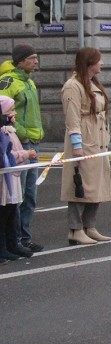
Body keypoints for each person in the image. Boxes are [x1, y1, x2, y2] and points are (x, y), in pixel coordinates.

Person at [60, 47, 111, 244]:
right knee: (78, 186)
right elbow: (72, 117)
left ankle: (89, 226)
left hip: (98, 142)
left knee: (97, 186)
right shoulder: (72, 86)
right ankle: (75, 229)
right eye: (99, 60)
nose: (102, 64)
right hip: (84, 142)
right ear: (89, 63)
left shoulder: (91, 83)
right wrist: (77, 145)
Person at [0, 44, 45, 252]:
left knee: (30, 195)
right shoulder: (8, 81)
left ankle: (25, 237)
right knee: (16, 197)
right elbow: (5, 112)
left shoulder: (29, 82)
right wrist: (22, 133)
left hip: (33, 143)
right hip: (19, 144)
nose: (36, 61)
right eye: (32, 58)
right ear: (21, 61)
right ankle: (14, 240)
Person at [1, 96, 36, 262]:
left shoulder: (9, 130)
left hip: (12, 177)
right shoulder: (3, 132)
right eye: (10, 111)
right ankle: (3, 248)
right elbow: (6, 155)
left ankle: (12, 244)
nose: (14, 114)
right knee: (4, 213)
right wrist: (25, 154)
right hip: (4, 179)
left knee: (11, 211)